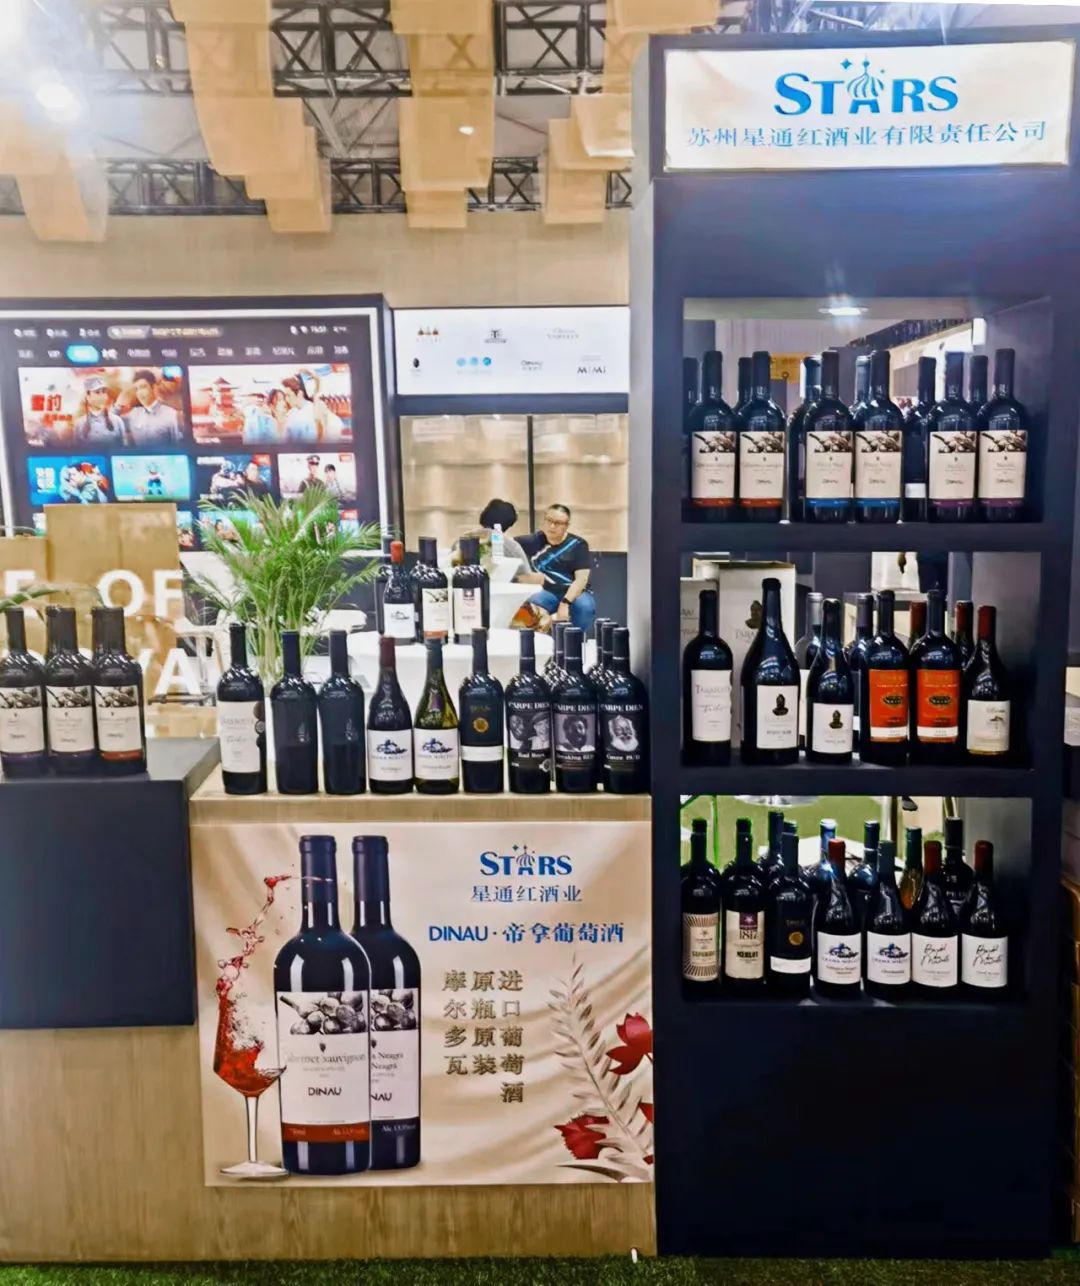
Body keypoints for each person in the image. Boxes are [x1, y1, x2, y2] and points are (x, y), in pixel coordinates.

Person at [520, 504, 596, 634]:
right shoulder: (534, 541)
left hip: (574, 592)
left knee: (585, 607)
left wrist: (565, 603)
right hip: (547, 592)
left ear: (566, 525)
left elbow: (581, 580)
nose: (552, 526)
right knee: (529, 607)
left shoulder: (578, 545)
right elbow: (505, 543)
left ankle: (573, 640)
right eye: (549, 520)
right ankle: (539, 642)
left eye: (558, 523)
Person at [123, 369, 182, 447]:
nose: (140, 393)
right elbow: (111, 427)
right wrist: (118, 406)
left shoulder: (171, 414)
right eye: (136, 389)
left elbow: (179, 445)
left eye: (143, 387)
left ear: (153, 387)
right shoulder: (133, 414)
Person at [74, 376, 124, 444]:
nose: (102, 396)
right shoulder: (80, 424)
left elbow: (123, 447)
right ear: (88, 396)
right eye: (97, 392)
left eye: (104, 392)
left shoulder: (117, 421)